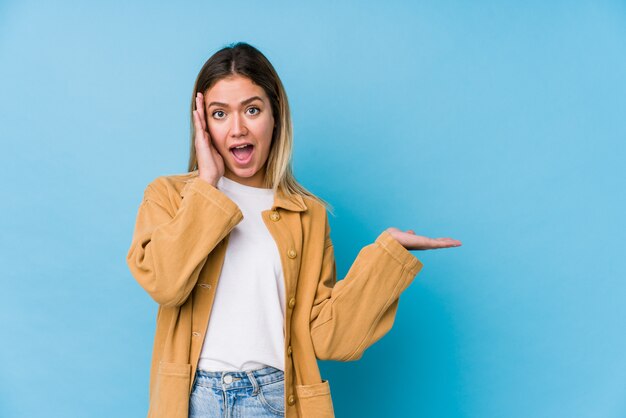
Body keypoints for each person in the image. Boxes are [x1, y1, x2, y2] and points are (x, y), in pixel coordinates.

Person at [126, 41, 461, 418]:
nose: (237, 129)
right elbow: (165, 284)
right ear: (202, 123)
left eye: (252, 109)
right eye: (220, 114)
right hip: (193, 399)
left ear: (275, 115)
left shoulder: (307, 215)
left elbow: (327, 338)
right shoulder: (170, 196)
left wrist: (388, 258)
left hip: (273, 398)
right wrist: (206, 184)